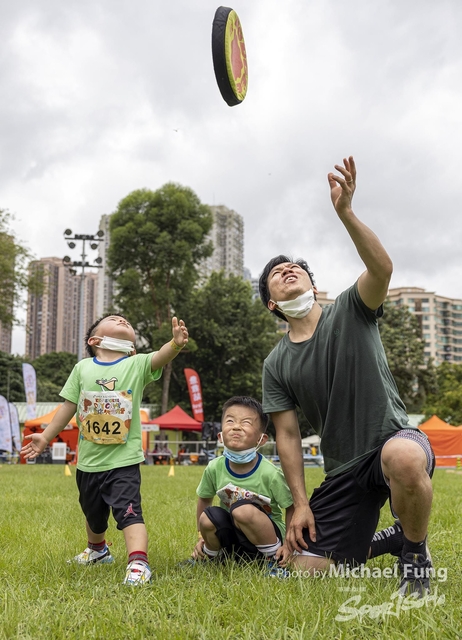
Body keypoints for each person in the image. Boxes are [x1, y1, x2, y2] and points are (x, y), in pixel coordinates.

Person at [259, 156, 434, 597]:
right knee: (302, 569)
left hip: (392, 442)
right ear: (271, 305)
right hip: (343, 470)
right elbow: (287, 436)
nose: (287, 269)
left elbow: (382, 270)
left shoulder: (352, 310)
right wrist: (301, 504)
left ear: (313, 286)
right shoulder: (276, 364)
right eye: (276, 274)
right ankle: (388, 540)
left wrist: (347, 214)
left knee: (406, 459)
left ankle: (414, 556)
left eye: (295, 267)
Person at [21, 313, 189, 586]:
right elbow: (68, 407)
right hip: (88, 462)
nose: (124, 321)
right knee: (92, 513)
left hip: (123, 461)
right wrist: (45, 436)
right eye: (114, 319)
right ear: (95, 340)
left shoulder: (135, 364)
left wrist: (175, 344)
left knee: (129, 511)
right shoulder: (83, 368)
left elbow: (159, 357)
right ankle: (97, 550)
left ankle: (138, 562)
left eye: (127, 321)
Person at [188, 396, 294, 577]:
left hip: (266, 537)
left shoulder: (270, 473)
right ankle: (211, 556)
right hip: (233, 537)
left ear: (261, 439)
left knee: (242, 509)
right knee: (208, 517)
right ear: (220, 435)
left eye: (246, 422)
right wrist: (201, 537)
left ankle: (273, 560)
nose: (236, 426)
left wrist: (288, 545)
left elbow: (291, 507)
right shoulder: (214, 467)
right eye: (230, 421)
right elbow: (204, 500)